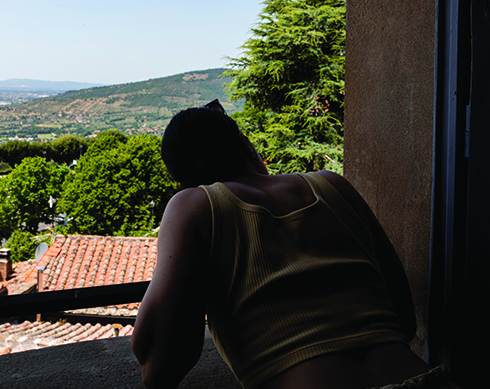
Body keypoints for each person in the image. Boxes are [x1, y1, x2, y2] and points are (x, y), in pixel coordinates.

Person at [131, 101, 456, 389]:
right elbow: (403, 317)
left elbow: (158, 367)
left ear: (182, 178)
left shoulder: (193, 205)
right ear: (245, 146)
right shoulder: (332, 185)